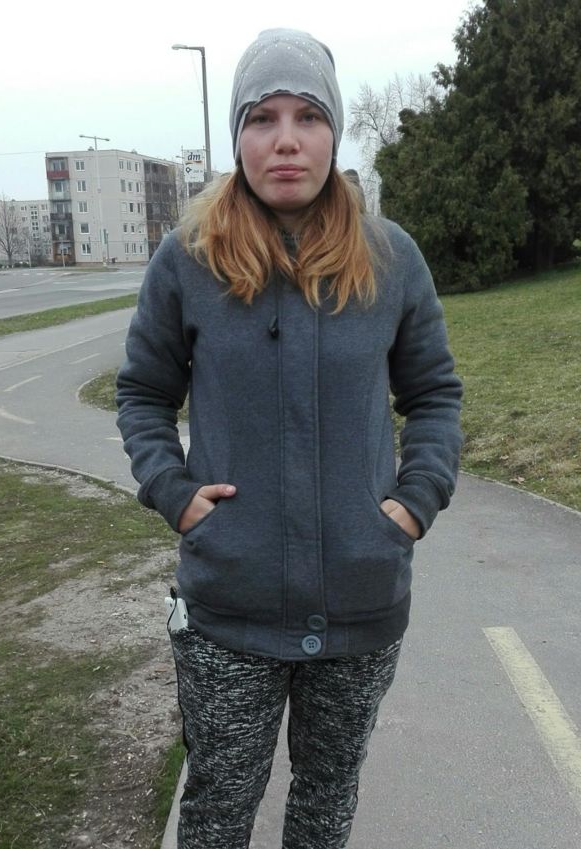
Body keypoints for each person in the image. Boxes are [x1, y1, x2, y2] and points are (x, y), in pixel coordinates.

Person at [116, 27, 462, 849]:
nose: (285, 139)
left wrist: (411, 505)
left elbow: (434, 396)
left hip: (361, 599)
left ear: (333, 131)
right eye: (262, 118)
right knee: (217, 810)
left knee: (325, 803)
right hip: (229, 605)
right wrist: (176, 494)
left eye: (307, 116)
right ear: (237, 135)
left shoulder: (391, 259)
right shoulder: (188, 259)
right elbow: (143, 393)